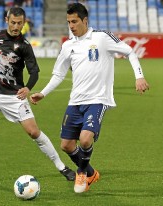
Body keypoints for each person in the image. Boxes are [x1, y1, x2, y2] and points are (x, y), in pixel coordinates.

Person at [30, 3, 150, 193]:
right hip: (75, 101)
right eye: (69, 22)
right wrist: (43, 93)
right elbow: (58, 74)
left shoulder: (101, 38)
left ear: (85, 20)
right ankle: (91, 173)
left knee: (85, 140)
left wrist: (139, 76)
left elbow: (129, 51)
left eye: (75, 21)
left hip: (98, 99)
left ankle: (82, 172)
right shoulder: (68, 45)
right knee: (66, 145)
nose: (71, 25)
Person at [0, 7, 75, 183]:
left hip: (14, 97)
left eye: (19, 23)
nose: (16, 26)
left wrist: (28, 87)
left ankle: (62, 167)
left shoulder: (25, 46)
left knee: (34, 132)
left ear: (24, 23)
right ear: (7, 20)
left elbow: (34, 71)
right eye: (13, 22)